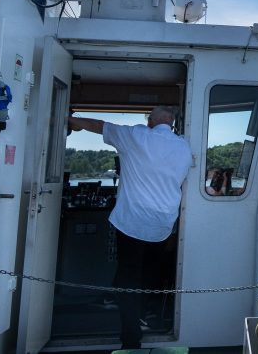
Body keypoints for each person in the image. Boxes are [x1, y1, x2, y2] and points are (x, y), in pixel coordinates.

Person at [68, 106, 190, 350]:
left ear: (152, 121)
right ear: (172, 122)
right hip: (163, 224)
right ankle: (144, 313)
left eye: (148, 119)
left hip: (133, 222)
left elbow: (100, 126)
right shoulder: (183, 146)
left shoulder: (137, 136)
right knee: (148, 275)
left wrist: (70, 120)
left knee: (129, 277)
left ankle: (131, 338)